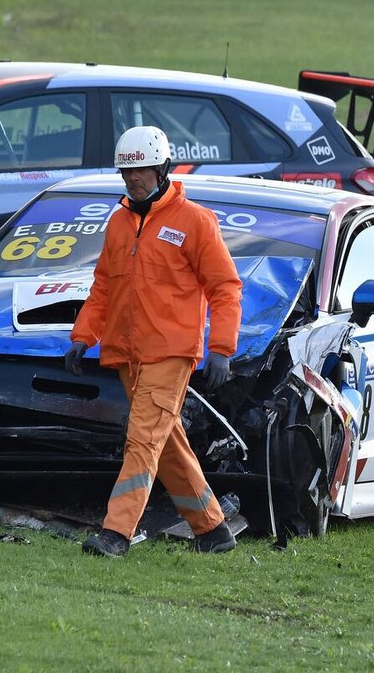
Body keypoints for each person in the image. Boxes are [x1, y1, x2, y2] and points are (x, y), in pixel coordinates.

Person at [66, 125, 243, 557]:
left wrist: (220, 349)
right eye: (126, 173)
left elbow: (226, 288)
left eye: (141, 171)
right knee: (166, 446)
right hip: (127, 354)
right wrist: (82, 335)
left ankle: (116, 534)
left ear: (162, 168)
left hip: (171, 353)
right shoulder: (119, 223)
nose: (134, 180)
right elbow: (104, 288)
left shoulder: (195, 221)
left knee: (142, 438)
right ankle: (213, 531)